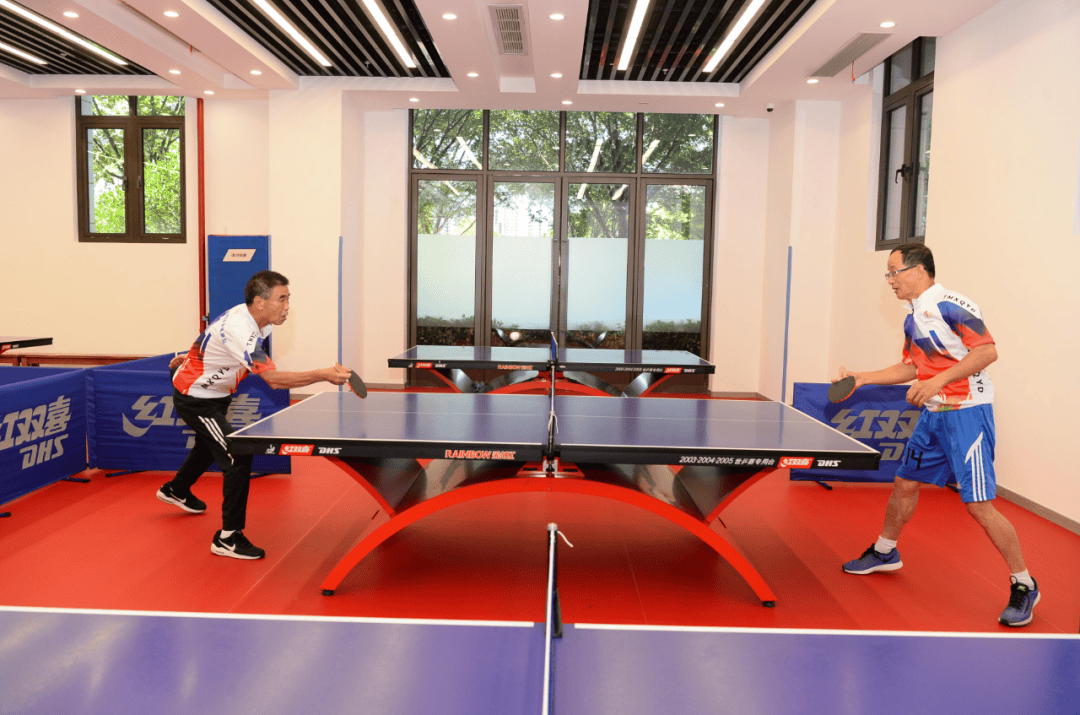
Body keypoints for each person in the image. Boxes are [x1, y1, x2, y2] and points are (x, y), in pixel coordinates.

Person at [837, 244, 1039, 627]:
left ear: (918, 270)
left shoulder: (952, 305)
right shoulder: (912, 318)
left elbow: (987, 352)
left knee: (979, 505)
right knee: (904, 483)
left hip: (967, 414)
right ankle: (885, 551)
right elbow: (911, 367)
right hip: (933, 415)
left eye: (894, 271)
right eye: (888, 273)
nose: (890, 280)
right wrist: (863, 378)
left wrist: (939, 382)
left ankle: (1025, 583)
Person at [156, 270, 350, 560]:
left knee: (210, 445)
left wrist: (195, 356)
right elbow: (273, 380)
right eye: (281, 299)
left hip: (217, 393)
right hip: (197, 398)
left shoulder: (254, 321)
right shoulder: (241, 330)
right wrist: (322, 375)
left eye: (288, 298)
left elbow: (213, 336)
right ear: (260, 302)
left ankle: (176, 489)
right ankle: (228, 538)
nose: (287, 306)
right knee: (237, 455)